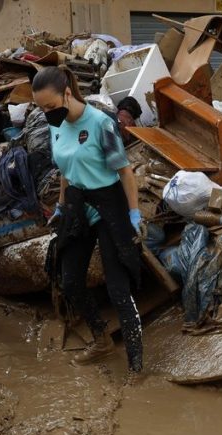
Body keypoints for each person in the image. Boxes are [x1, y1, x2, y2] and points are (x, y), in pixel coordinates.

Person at [32, 66, 144, 373]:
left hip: (109, 201)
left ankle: (136, 367)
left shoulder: (99, 124)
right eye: (41, 108)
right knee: (70, 281)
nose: (46, 113)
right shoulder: (55, 125)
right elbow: (66, 170)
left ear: (67, 93)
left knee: (118, 288)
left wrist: (133, 212)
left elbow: (124, 171)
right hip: (78, 203)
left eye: (50, 106)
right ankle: (101, 339)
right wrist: (60, 205)